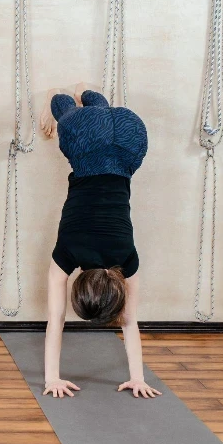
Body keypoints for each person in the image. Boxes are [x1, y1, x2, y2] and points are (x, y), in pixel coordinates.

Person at [40, 85, 161, 399]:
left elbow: (130, 323)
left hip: (130, 139)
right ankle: (68, 96)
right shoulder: (68, 253)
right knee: (64, 109)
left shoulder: (127, 259)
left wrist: (139, 378)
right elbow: (56, 320)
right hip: (86, 143)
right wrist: (51, 378)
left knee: (103, 117)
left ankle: (89, 98)